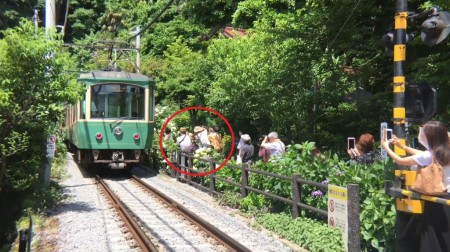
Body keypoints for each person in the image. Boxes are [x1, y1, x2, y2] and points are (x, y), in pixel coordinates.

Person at [382, 121, 450, 252]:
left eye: (424, 133)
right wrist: (404, 147)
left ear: (431, 137)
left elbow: (400, 160)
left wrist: (386, 147)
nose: (422, 135)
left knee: (434, 237)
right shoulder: (443, 151)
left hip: (437, 200)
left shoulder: (430, 155)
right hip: (447, 198)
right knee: (445, 238)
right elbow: (422, 154)